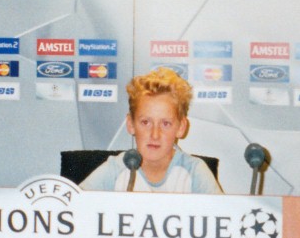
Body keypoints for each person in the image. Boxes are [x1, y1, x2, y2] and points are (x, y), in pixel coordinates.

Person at [79, 67, 222, 194]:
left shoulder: (194, 172)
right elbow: (74, 205)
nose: (155, 135)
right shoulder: (115, 170)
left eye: (165, 124)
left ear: (181, 127)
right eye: (146, 122)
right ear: (131, 124)